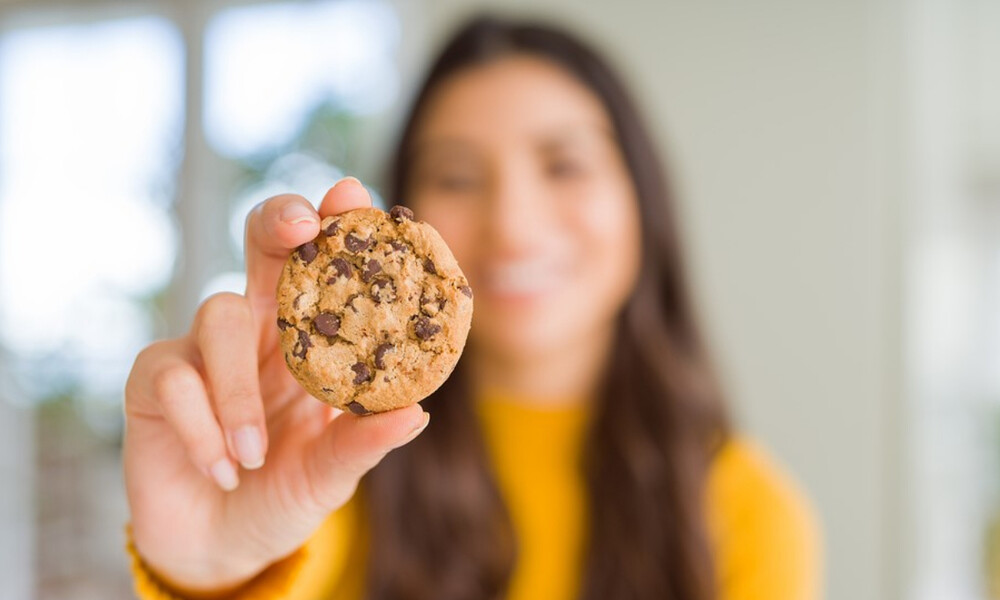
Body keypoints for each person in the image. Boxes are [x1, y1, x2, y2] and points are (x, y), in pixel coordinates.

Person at [124, 15, 820, 600]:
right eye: (457, 176)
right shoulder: (328, 476)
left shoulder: (744, 514)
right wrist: (214, 570)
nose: (513, 224)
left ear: (643, 198)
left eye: (564, 165)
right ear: (408, 216)